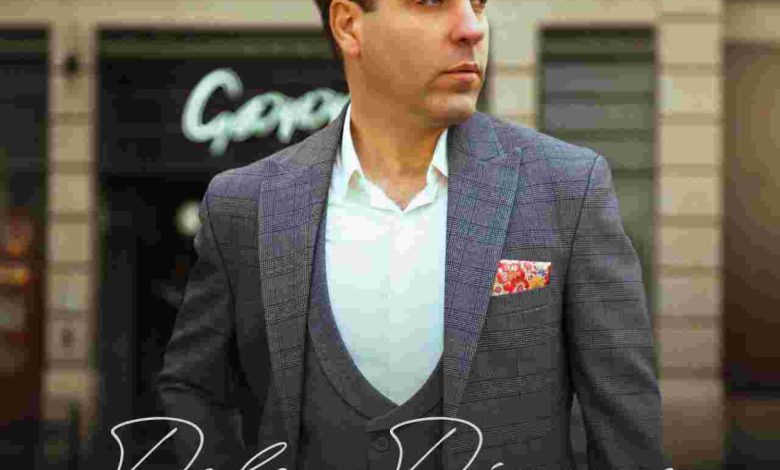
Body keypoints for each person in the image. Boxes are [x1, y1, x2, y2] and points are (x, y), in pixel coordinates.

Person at [157, 0, 665, 469]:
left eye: (479, 3)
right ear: (349, 25)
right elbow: (194, 388)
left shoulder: (567, 189)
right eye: (430, 2)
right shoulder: (246, 206)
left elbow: (625, 424)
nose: (471, 28)